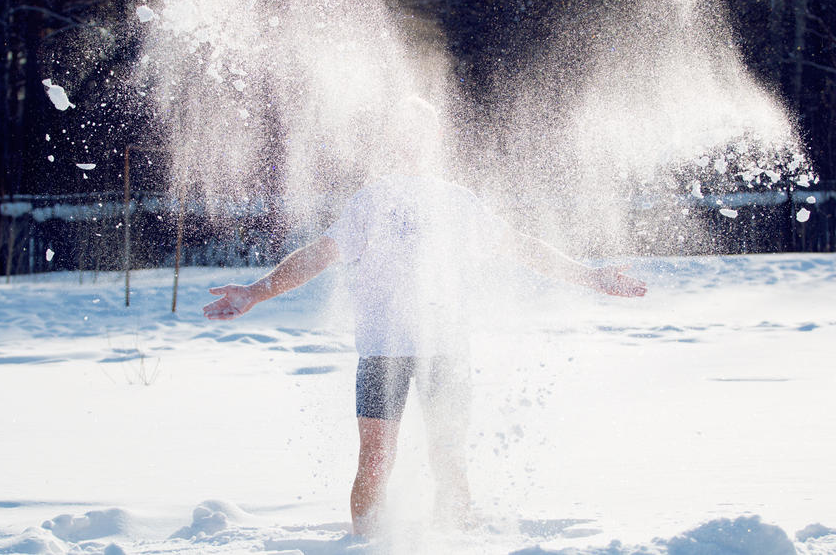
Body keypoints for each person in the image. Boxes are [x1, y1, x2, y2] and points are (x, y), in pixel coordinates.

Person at [203, 97, 647, 537]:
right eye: (402, 132)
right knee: (375, 459)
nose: (410, 141)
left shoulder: (459, 202)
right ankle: (366, 545)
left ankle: (453, 542)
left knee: (449, 460)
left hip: (445, 350)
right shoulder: (371, 201)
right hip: (383, 352)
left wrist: (590, 276)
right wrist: (257, 291)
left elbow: (522, 247)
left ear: (435, 137)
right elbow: (319, 254)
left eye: (419, 132)